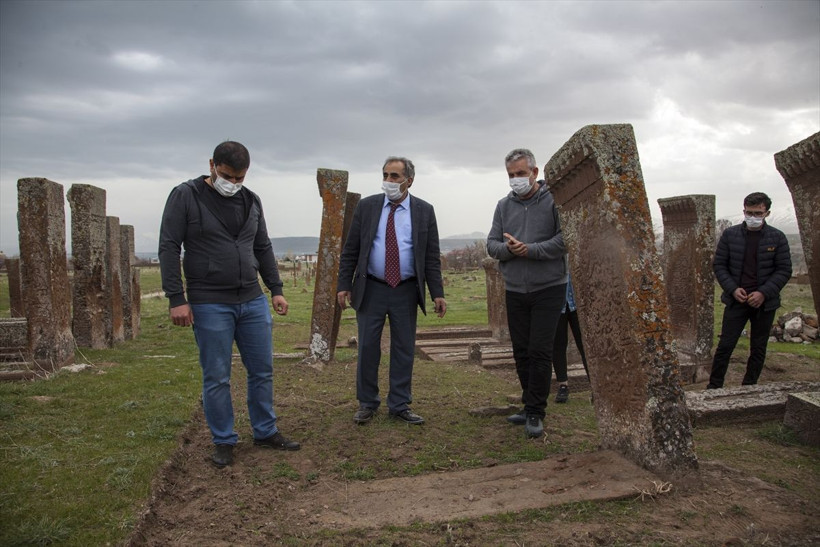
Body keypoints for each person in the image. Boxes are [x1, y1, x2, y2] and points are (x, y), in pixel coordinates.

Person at [158, 141, 300, 469]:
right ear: (212, 165)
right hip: (210, 302)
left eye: (239, 178)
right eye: (226, 176)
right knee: (217, 376)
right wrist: (176, 298)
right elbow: (168, 246)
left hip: (251, 300)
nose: (233, 184)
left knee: (262, 370)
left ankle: (265, 431)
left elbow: (262, 246)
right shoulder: (186, 196)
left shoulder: (251, 201)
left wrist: (276, 289)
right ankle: (224, 439)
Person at [337, 156, 447, 426]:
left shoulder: (424, 210)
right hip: (371, 287)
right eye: (385, 175)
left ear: (409, 180)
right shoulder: (367, 207)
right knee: (368, 347)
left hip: (406, 290)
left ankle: (399, 404)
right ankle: (367, 402)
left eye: (395, 176)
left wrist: (437, 293)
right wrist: (343, 285)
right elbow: (351, 250)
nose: (388, 181)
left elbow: (431, 256)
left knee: (403, 348)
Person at [487, 148, 567, 438]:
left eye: (520, 173)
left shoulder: (554, 201)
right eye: (511, 175)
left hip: (549, 286)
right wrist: (508, 250)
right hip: (515, 288)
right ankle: (527, 403)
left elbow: (564, 240)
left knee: (540, 351)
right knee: (521, 351)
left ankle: (536, 412)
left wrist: (531, 250)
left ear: (534, 172)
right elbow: (491, 244)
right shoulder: (503, 206)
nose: (515, 179)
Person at [707, 192, 792, 389]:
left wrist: (763, 293)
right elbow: (720, 265)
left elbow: (784, 269)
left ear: (767, 213)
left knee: (758, 347)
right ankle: (714, 387)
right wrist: (732, 288)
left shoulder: (777, 237)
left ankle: (749, 386)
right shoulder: (730, 235)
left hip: (764, 303)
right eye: (748, 212)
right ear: (743, 210)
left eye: (757, 213)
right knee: (725, 346)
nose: (752, 217)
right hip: (737, 299)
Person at [552, 275, 590, 403]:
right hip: (557, 302)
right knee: (558, 345)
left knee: (586, 345)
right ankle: (563, 385)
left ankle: (595, 385)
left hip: (579, 302)